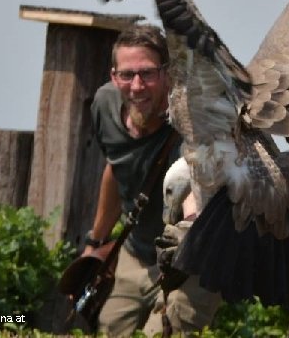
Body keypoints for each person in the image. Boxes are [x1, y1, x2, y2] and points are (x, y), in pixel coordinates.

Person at [82, 24, 221, 337]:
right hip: (136, 254)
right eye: (126, 75)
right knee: (109, 329)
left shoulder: (191, 124)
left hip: (189, 260)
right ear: (113, 75)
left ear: (168, 74)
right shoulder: (104, 105)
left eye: (147, 74)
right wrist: (96, 243)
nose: (136, 86)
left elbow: (191, 193)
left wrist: (189, 224)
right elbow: (116, 169)